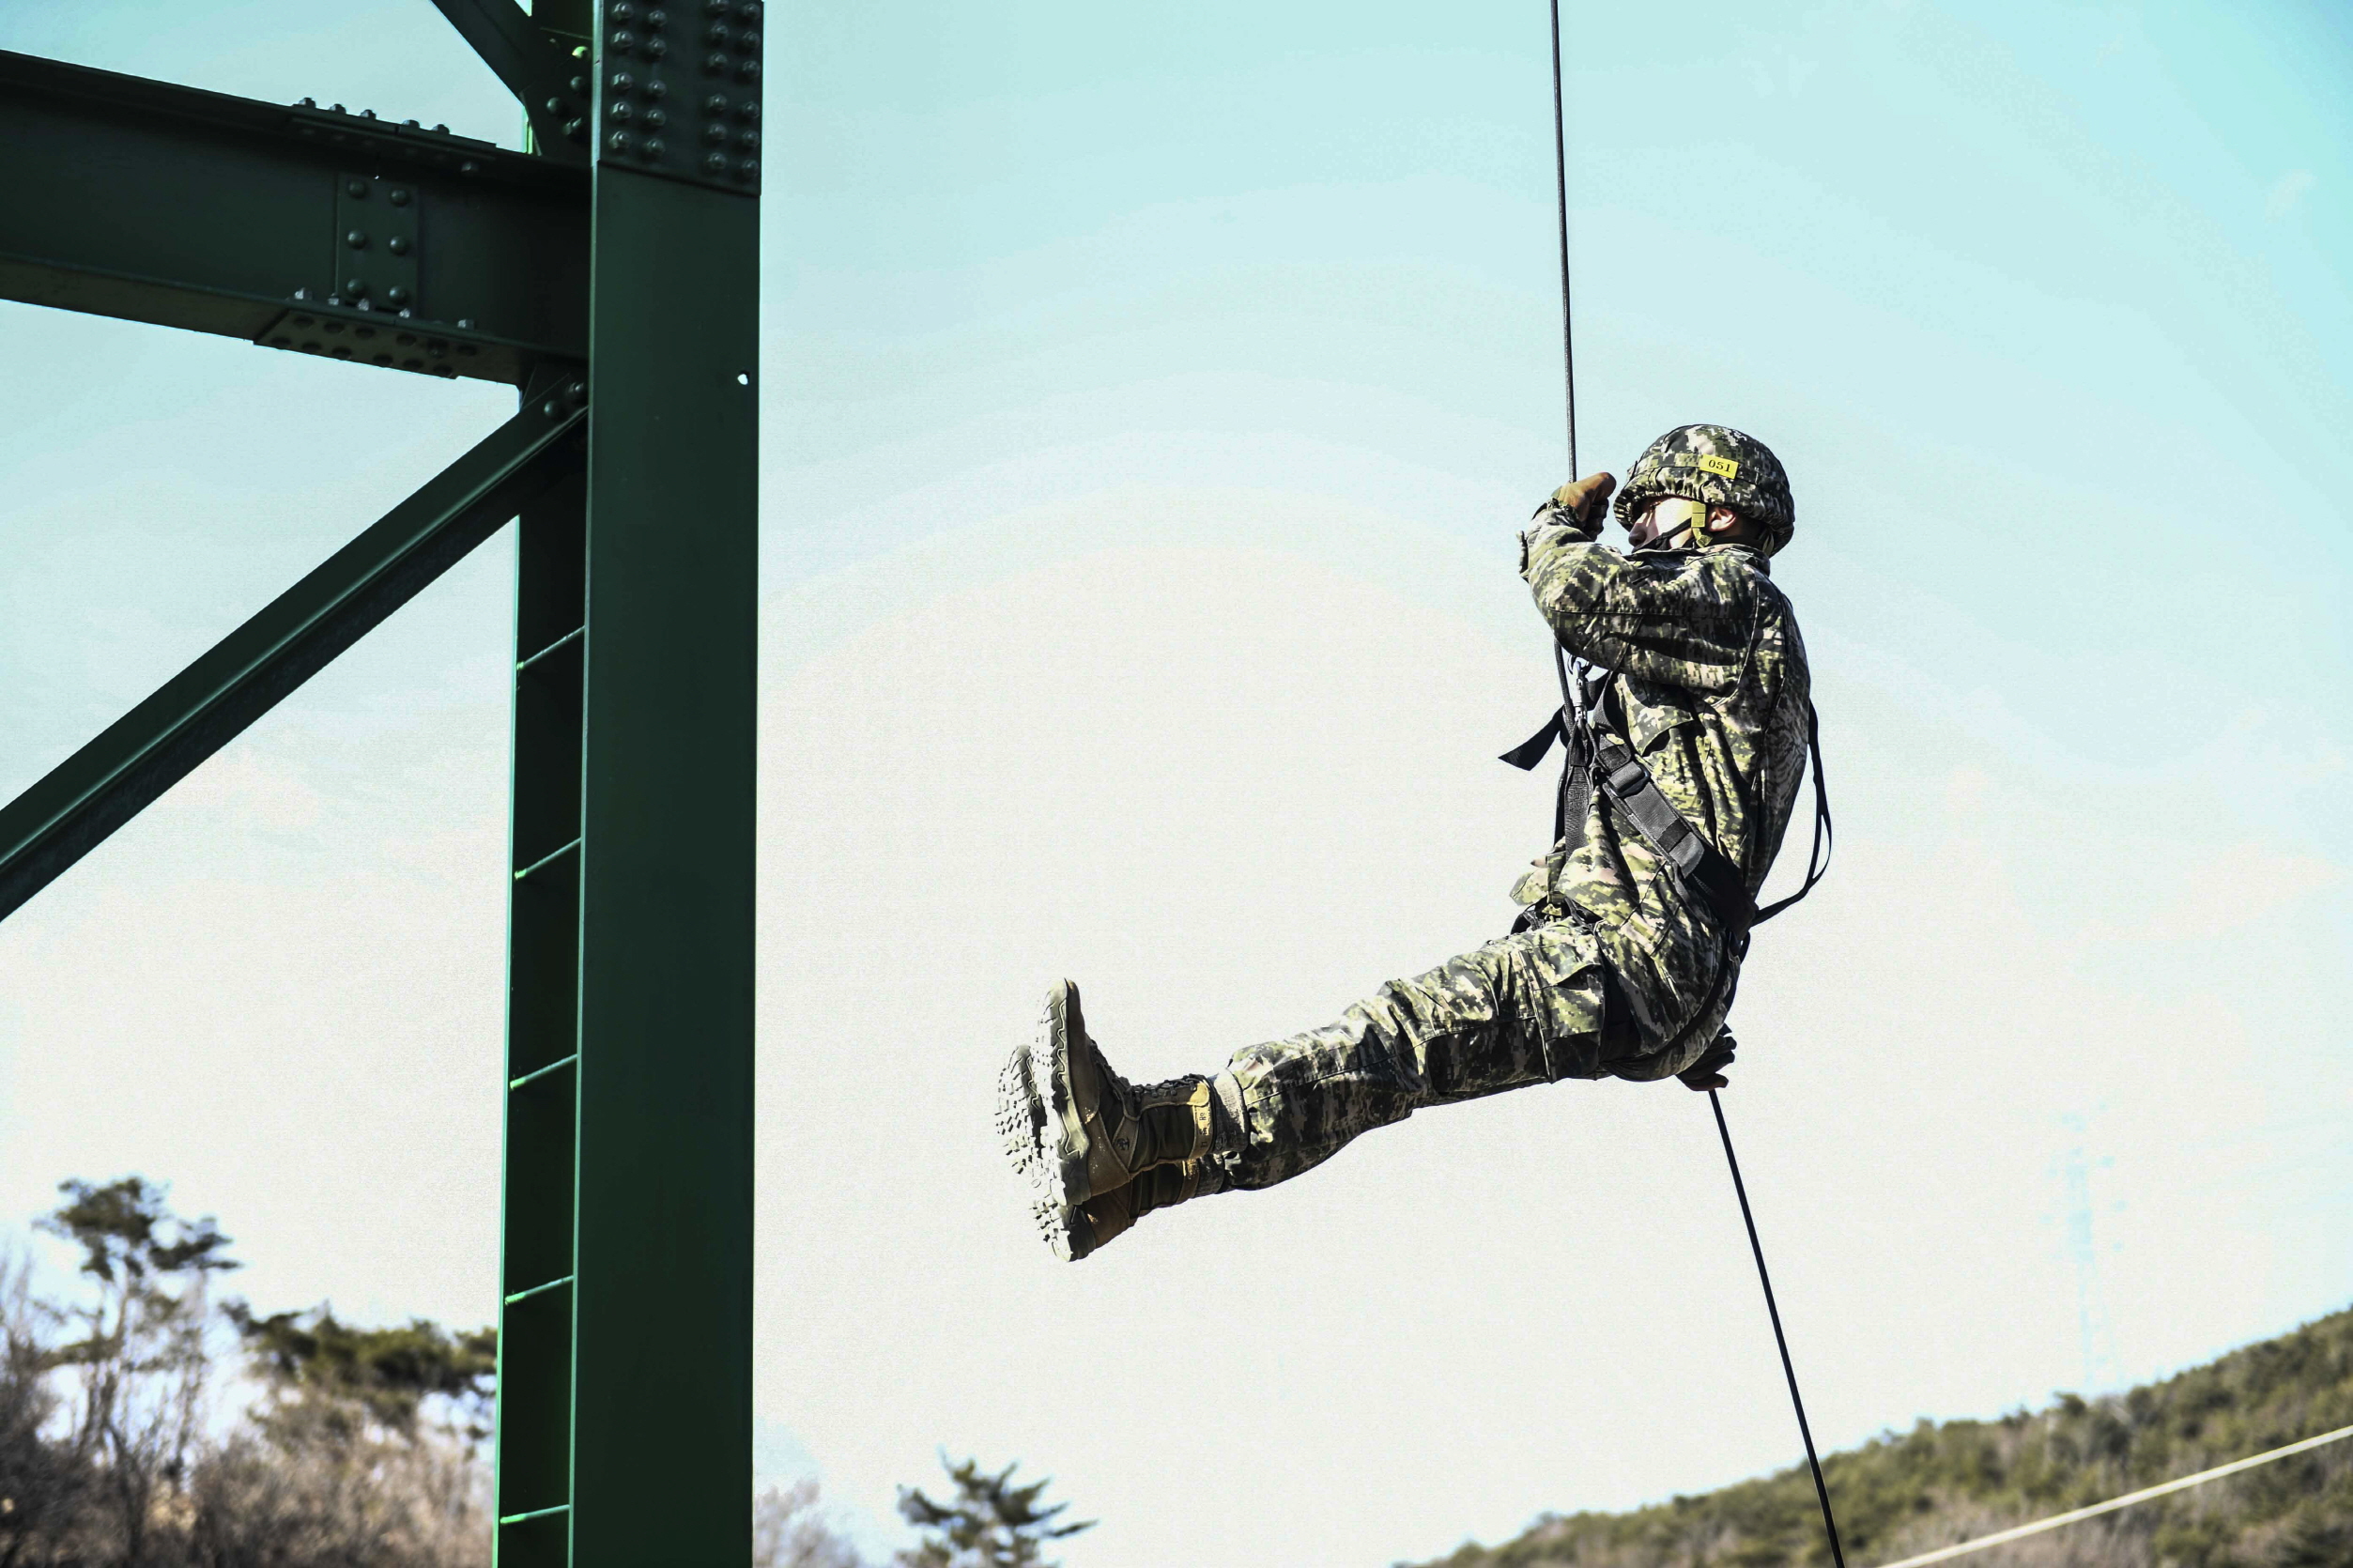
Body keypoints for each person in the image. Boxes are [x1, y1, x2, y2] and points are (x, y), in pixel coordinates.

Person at [997, 424, 1824, 1260]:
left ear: (1721, 514)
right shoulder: (1736, 642)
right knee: (1399, 1063)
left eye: (1652, 510)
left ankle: (1133, 1136)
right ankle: (1132, 1184)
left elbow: (1576, 595)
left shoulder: (1735, 598)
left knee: (1395, 1039)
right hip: (1651, 968)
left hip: (1628, 958)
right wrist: (1680, 1013)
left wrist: (1554, 525)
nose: (1635, 528)